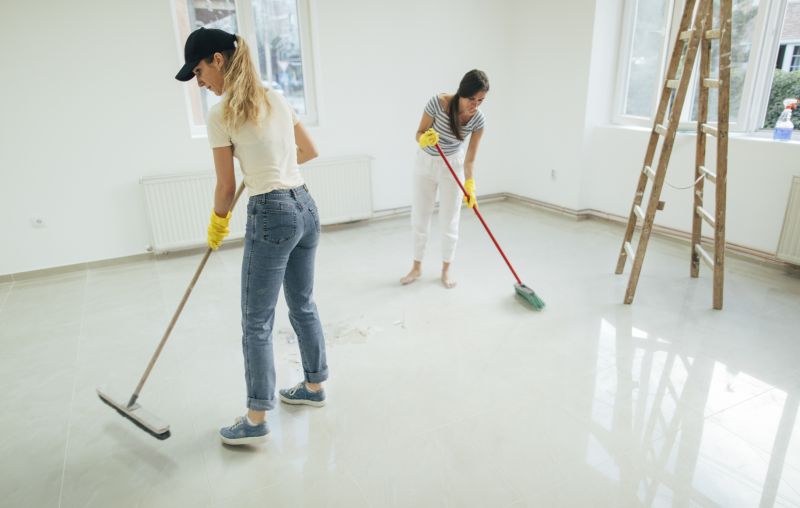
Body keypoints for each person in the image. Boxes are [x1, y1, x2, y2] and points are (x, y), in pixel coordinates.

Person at [175, 27, 329, 446]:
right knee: (302, 304)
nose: (200, 81)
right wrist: (272, 163)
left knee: (256, 321)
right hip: (305, 207)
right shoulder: (275, 97)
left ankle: (257, 415)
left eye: (199, 70)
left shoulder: (220, 114)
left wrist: (217, 222)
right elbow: (310, 151)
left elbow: (226, 187)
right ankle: (314, 387)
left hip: (272, 214)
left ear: (218, 60)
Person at [401, 69, 489, 289]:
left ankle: (446, 268)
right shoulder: (437, 103)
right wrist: (425, 140)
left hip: (453, 165)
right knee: (420, 217)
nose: (475, 105)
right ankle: (417, 266)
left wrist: (471, 186)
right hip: (426, 163)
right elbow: (418, 133)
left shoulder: (478, 120)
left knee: (450, 219)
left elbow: (470, 160)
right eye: (472, 99)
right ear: (461, 93)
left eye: (481, 100)